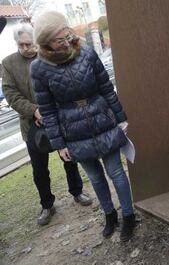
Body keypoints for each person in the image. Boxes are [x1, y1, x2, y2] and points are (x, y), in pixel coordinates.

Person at [30, 11, 135, 241]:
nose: (66, 41)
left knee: (116, 171)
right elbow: (47, 109)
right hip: (73, 131)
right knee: (95, 178)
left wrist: (121, 117)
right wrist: (59, 144)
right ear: (46, 42)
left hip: (102, 119)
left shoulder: (87, 52)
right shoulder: (38, 69)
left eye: (66, 34)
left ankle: (128, 215)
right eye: (59, 39)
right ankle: (109, 215)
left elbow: (106, 87)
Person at [1, 23, 92, 226]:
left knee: (69, 159)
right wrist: (34, 110)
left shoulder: (47, 56)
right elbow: (10, 94)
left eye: (29, 44)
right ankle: (47, 204)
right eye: (21, 44)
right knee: (39, 169)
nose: (26, 48)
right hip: (31, 127)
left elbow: (63, 83)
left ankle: (77, 192)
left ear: (37, 42)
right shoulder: (8, 63)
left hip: (59, 120)